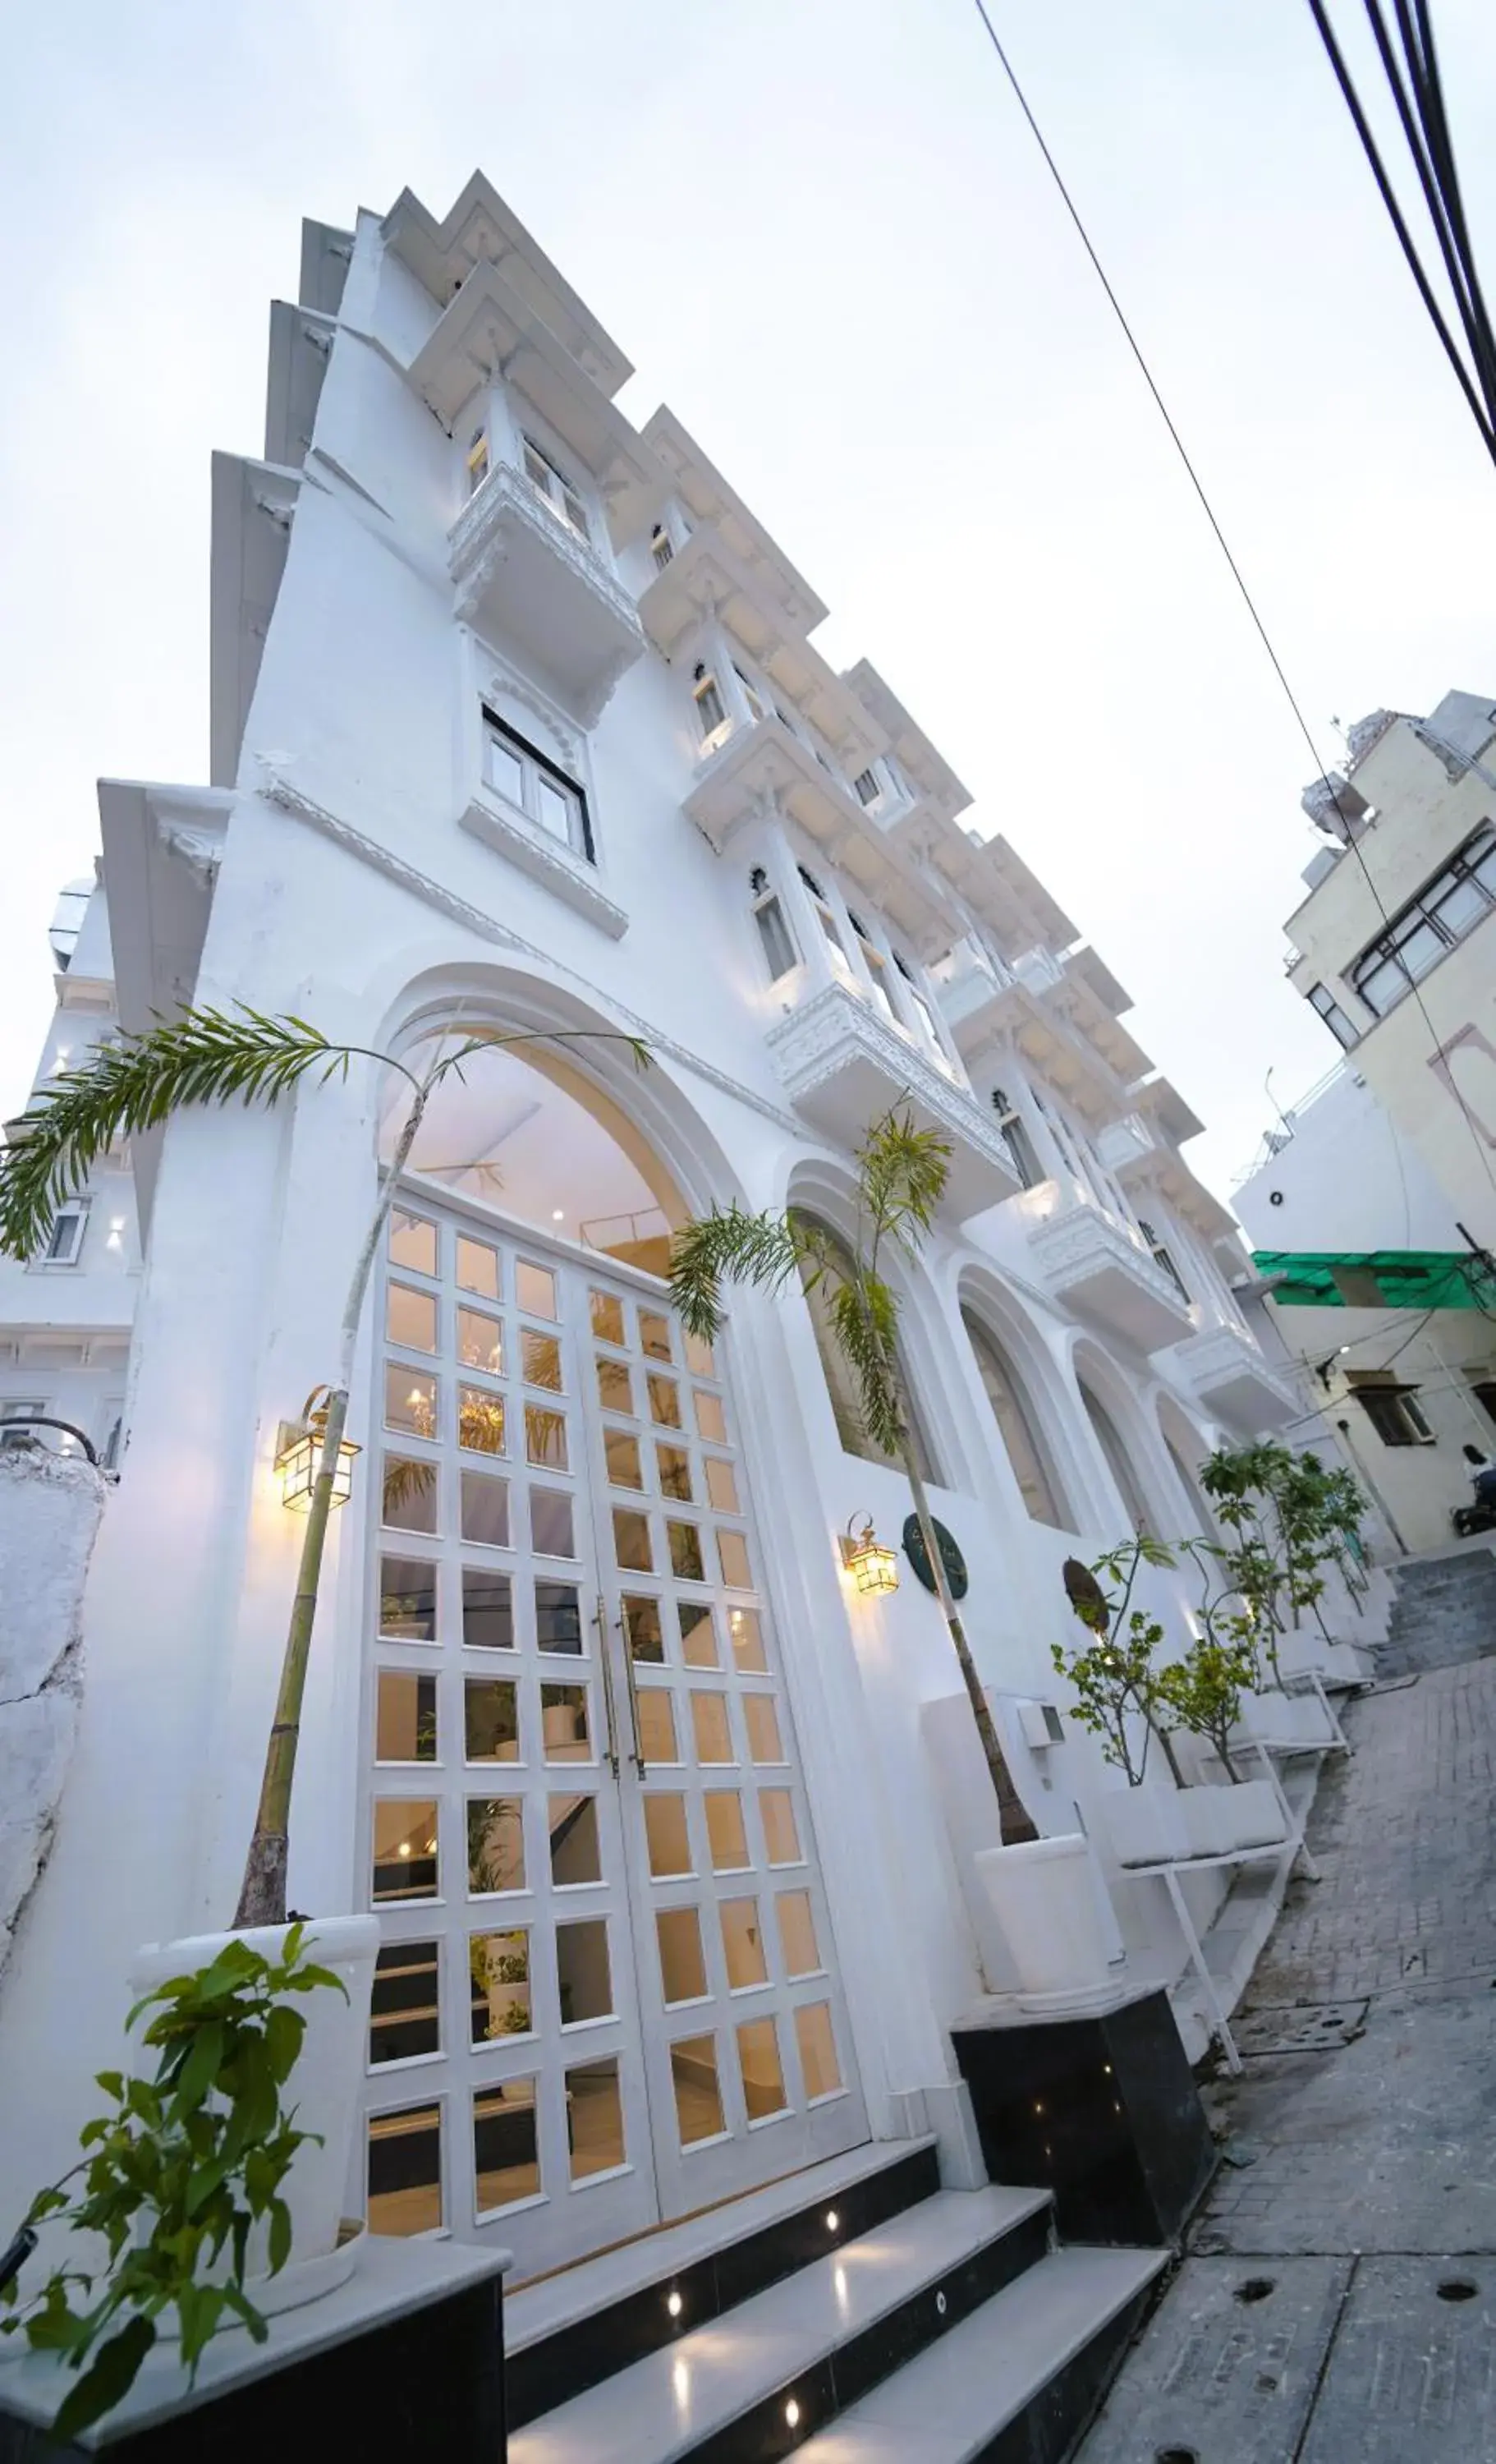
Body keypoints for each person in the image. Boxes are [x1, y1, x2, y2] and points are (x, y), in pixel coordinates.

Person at [1462, 1442, 1496, 1514]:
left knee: (1482, 1503)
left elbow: (1470, 1479)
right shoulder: (1486, 1455)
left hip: (1486, 1483)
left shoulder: (1468, 1464)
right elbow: (1494, 1464)